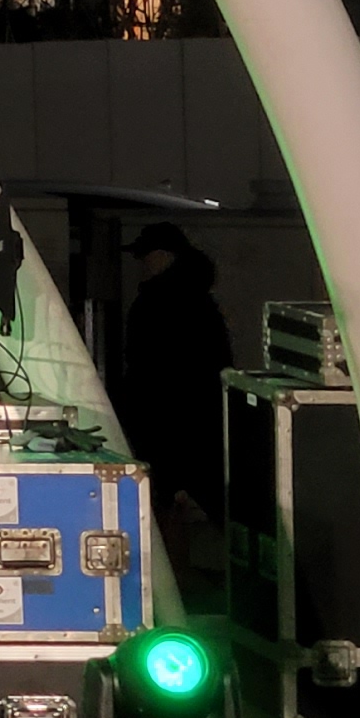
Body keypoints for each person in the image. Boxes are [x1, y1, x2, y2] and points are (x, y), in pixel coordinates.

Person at [119, 219, 233, 531]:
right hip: (200, 419)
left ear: (164, 256)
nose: (142, 264)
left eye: (146, 256)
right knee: (209, 498)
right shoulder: (200, 299)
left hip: (165, 420)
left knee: (164, 504)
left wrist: (133, 410)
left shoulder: (157, 301)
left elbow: (145, 366)